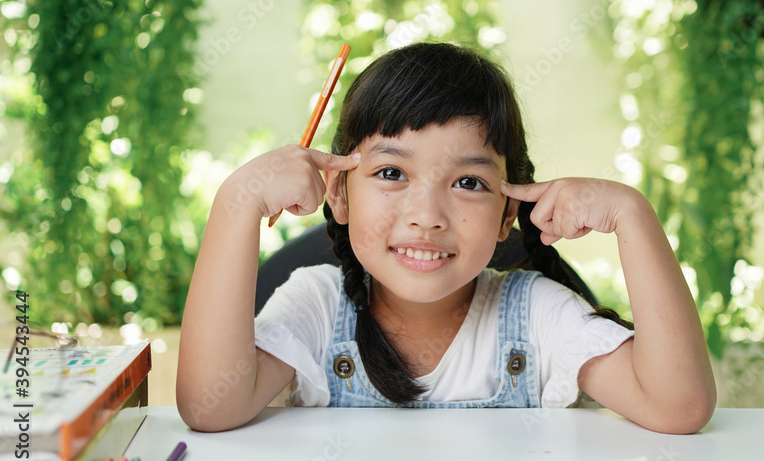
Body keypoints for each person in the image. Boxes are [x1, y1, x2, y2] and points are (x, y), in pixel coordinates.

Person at [176, 42, 716, 434]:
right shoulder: (317, 307)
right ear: (337, 195)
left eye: (467, 182)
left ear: (509, 211)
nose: (427, 215)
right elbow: (208, 407)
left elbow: (679, 408)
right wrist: (236, 204)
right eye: (391, 173)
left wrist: (633, 214)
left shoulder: (534, 314)